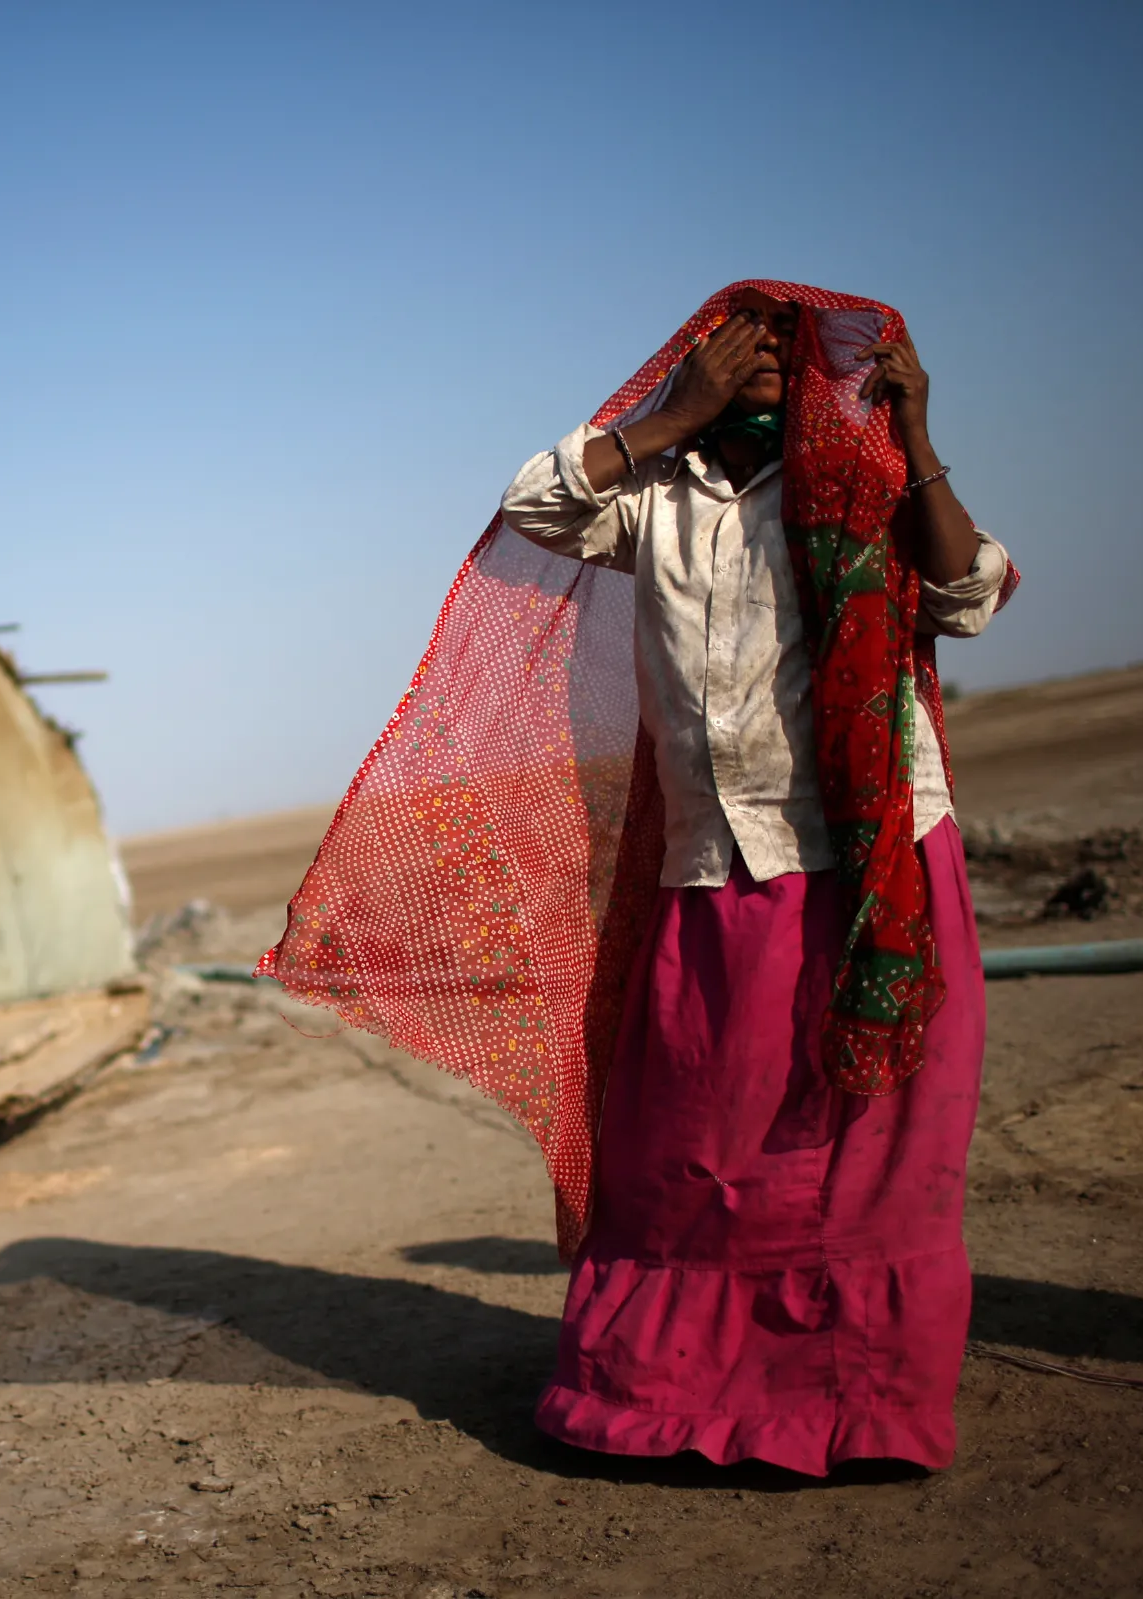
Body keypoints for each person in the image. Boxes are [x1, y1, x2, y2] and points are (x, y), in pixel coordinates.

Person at [260, 281, 1015, 1476]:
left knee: (859, 1148)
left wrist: (915, 435)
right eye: (744, 340)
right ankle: (668, 1404)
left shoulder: (866, 482)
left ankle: (862, 1410)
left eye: (793, 343)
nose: (770, 357)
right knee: (690, 1155)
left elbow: (968, 596)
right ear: (698, 357)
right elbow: (533, 508)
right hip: (713, 868)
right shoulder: (651, 499)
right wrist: (667, 421)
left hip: (874, 870)